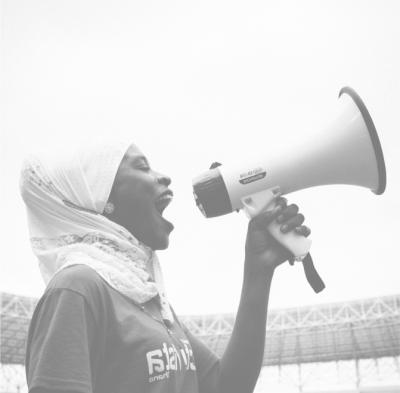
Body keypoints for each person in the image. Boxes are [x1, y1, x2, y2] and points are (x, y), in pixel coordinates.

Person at [20, 138, 311, 393]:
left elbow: (226, 386)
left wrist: (259, 270)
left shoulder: (146, 298)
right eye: (143, 167)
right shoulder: (77, 290)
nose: (165, 178)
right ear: (102, 199)